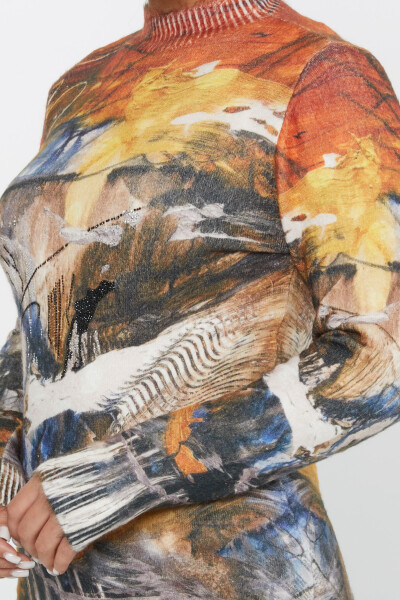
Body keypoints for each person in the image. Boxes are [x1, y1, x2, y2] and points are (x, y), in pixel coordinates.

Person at [0, 0, 399, 596]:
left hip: (236, 573)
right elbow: (53, 315)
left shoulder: (319, 71)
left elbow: (383, 352)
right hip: (60, 581)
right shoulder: (80, 88)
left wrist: (123, 474)